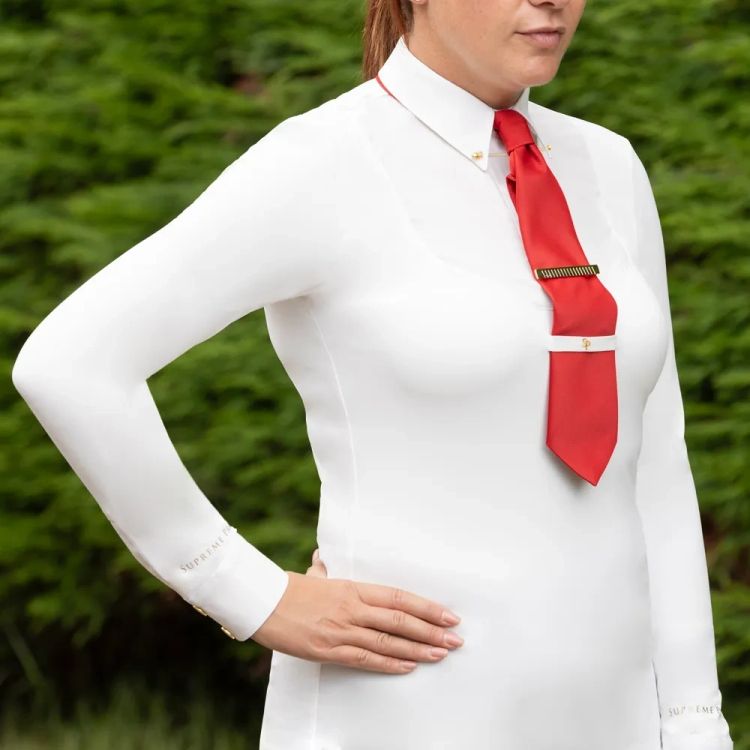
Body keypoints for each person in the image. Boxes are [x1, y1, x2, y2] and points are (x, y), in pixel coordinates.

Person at [10, 0, 735, 748]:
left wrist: (693, 720)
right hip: (406, 710)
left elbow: (657, 462)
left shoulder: (608, 165)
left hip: (613, 718)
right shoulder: (322, 163)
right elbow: (72, 363)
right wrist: (244, 590)